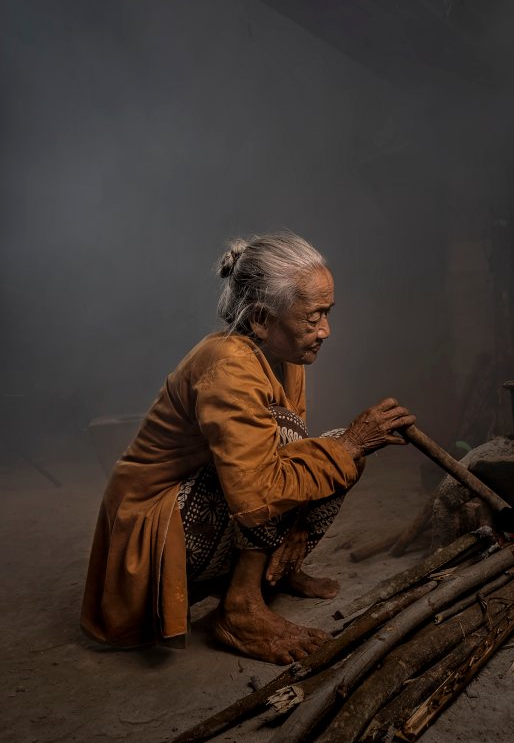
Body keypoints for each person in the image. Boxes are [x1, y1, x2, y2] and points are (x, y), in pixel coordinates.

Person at [80, 231, 414, 664]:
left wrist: (300, 528)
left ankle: (274, 576)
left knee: (333, 450)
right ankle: (239, 608)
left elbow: (296, 456)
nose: (325, 331)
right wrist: (349, 443)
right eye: (313, 318)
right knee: (322, 445)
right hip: (152, 526)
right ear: (260, 318)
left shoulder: (285, 353)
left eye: (327, 314)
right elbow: (258, 488)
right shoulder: (228, 365)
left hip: (224, 496)